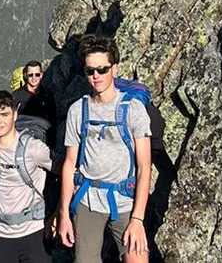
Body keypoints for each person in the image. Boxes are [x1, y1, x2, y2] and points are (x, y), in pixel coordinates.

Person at [58, 36, 152, 263]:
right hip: (87, 200)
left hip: (124, 201)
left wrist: (137, 220)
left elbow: (144, 167)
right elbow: (70, 164)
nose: (96, 76)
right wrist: (63, 215)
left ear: (115, 68)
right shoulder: (77, 111)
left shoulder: (133, 109)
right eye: (90, 71)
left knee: (137, 259)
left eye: (102, 69)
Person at [0, 90, 54, 263]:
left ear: (15, 115)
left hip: (33, 231)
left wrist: (59, 212)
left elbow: (65, 169)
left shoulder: (34, 148)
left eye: (4, 114)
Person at [11, 60, 55, 126]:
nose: (34, 78)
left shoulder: (48, 95)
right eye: (30, 75)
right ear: (25, 76)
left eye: (37, 75)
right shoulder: (15, 97)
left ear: (41, 75)